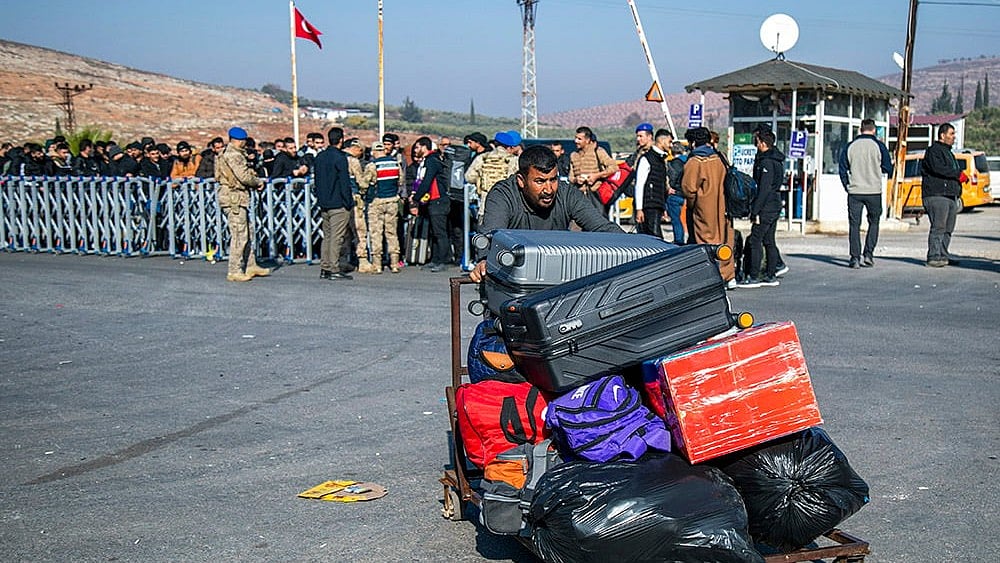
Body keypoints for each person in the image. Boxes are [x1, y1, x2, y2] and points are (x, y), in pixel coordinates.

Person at [470, 144, 623, 282]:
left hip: (556, 276)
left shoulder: (567, 193)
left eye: (553, 180)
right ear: (521, 181)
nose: (549, 190)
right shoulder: (503, 195)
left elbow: (602, 227)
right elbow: (491, 235)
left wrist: (637, 246)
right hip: (513, 276)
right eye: (540, 181)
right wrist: (484, 261)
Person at [681, 127, 736, 285]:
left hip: (704, 209)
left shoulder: (695, 161)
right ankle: (728, 275)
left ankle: (711, 278)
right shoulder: (720, 157)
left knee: (706, 243)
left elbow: (689, 188)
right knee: (725, 240)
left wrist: (693, 204)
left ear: (692, 142)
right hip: (725, 206)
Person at [215, 126, 270, 282]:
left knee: (248, 232)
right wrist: (257, 181)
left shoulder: (228, 153)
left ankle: (250, 265)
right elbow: (243, 176)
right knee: (239, 235)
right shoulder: (234, 155)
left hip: (236, 196)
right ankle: (234, 269)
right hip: (234, 197)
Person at [838, 118, 893, 269]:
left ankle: (854, 257)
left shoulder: (850, 146)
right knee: (874, 222)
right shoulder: (879, 146)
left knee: (854, 225)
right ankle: (868, 254)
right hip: (874, 191)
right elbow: (888, 168)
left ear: (860, 129)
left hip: (855, 191)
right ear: (874, 130)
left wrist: (847, 185)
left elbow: (842, 168)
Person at [739, 129, 785, 288]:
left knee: (756, 240)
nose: (756, 144)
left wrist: (755, 210)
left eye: (757, 141)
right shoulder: (777, 160)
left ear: (763, 143)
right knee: (769, 240)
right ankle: (770, 274)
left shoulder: (766, 162)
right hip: (775, 203)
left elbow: (764, 188)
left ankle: (753, 276)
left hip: (766, 206)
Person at [920, 122, 964, 268]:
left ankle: (943, 255)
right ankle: (933, 256)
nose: (954, 137)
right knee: (938, 227)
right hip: (937, 195)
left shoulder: (949, 152)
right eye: (951, 134)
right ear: (942, 135)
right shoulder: (934, 151)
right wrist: (958, 174)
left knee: (948, 229)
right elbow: (938, 169)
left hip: (950, 196)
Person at [313, 127, 354, 281]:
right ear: (341, 140)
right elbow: (344, 182)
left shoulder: (320, 157)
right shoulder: (340, 158)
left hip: (324, 202)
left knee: (328, 237)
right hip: (338, 203)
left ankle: (325, 267)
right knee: (337, 238)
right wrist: (348, 202)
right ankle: (334, 269)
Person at [411, 136, 451, 272]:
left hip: (438, 200)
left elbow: (426, 181)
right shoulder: (428, 161)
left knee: (440, 232)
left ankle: (443, 260)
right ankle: (435, 259)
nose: (415, 150)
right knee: (434, 232)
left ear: (424, 147)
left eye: (417, 147)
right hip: (431, 201)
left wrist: (416, 198)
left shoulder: (432, 161)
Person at [366, 142, 403, 273]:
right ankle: (394, 263)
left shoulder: (372, 165)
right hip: (392, 200)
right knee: (391, 232)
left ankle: (377, 264)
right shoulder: (395, 163)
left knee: (376, 233)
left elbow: (366, 183)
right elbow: (401, 181)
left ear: (374, 151)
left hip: (377, 201)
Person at [345, 138, 376, 273]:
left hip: (339, 199)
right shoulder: (353, 161)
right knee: (359, 230)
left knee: (343, 232)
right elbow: (361, 182)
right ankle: (362, 260)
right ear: (357, 149)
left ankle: (342, 259)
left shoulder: (338, 158)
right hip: (354, 198)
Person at [632, 123, 667, 238]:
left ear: (650, 136)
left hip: (651, 200)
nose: (638, 139)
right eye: (637, 136)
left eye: (641, 136)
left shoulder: (654, 155)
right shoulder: (638, 152)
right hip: (643, 200)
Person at [569, 126, 617, 210]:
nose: (576, 141)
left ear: (587, 140)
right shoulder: (573, 155)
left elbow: (614, 167)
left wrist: (596, 176)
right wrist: (576, 180)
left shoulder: (598, 152)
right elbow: (570, 177)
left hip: (596, 196)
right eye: (575, 138)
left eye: (579, 139)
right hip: (579, 197)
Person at [665, 139, 687, 245]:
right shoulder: (689, 161)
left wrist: (669, 188)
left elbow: (670, 178)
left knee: (676, 219)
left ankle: (679, 240)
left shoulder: (672, 164)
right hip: (687, 194)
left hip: (675, 194)